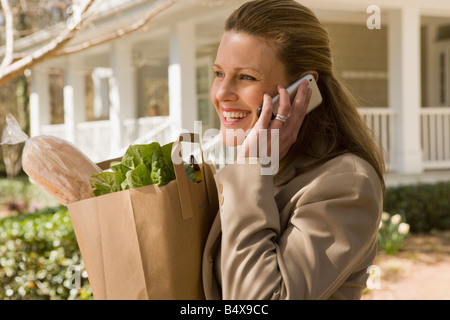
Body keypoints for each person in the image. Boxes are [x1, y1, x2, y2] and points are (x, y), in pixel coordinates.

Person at [202, 0, 385, 300]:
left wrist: (252, 169)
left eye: (246, 76)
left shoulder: (347, 183)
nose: (221, 93)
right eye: (219, 73)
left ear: (303, 90)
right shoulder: (260, 168)